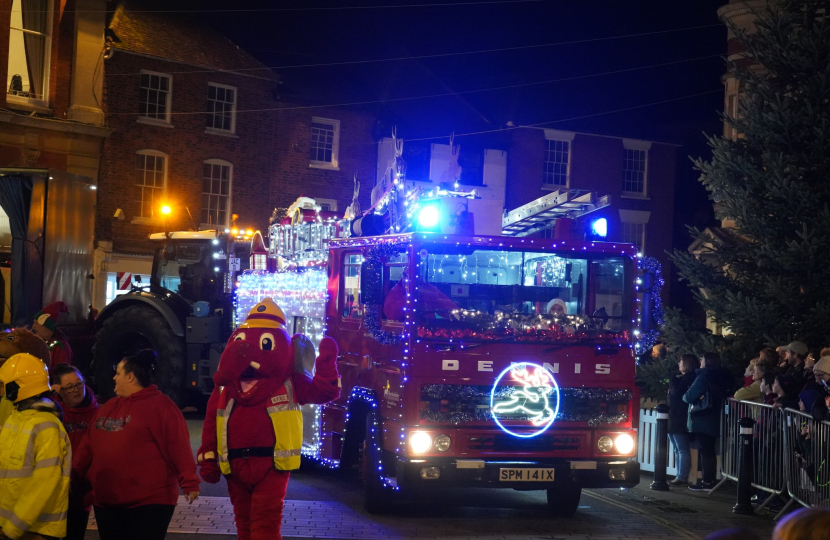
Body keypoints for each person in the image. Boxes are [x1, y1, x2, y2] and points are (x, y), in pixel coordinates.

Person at [73, 350, 199, 540]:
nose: (114, 377)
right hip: (107, 502)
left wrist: (189, 481)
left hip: (149, 502)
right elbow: (88, 445)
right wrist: (75, 474)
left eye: (118, 373)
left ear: (130, 377)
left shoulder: (161, 406)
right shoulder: (108, 407)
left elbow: (178, 445)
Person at [0, 353, 71, 540]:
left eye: (4, 384)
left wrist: (13, 527)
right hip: (11, 528)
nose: (2, 390)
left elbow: (44, 483)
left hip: (37, 532)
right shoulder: (15, 419)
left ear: (18, 386)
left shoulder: (47, 426)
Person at [51, 364, 98, 540]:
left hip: (82, 491)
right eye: (69, 387)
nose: (77, 390)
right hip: (55, 490)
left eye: (79, 384)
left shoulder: (97, 414)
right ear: (60, 391)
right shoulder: (53, 413)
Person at [683, 352, 733, 491]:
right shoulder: (723, 377)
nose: (700, 360)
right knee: (709, 449)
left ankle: (707, 481)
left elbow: (689, 397)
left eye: (703, 358)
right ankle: (710, 480)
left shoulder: (703, 377)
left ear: (708, 361)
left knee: (705, 450)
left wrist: (687, 396)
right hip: (718, 415)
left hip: (703, 417)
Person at [667, 353, 698, 486]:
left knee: (681, 449)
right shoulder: (684, 378)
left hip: (680, 416)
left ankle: (682, 476)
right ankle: (680, 474)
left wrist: (673, 380)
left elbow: (676, 392)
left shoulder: (688, 379)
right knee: (677, 448)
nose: (679, 364)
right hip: (675, 415)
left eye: (681, 361)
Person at [31, 301, 73, 368]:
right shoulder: (41, 343)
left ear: (48, 328)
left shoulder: (61, 347)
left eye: (37, 323)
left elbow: (60, 373)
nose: (33, 327)